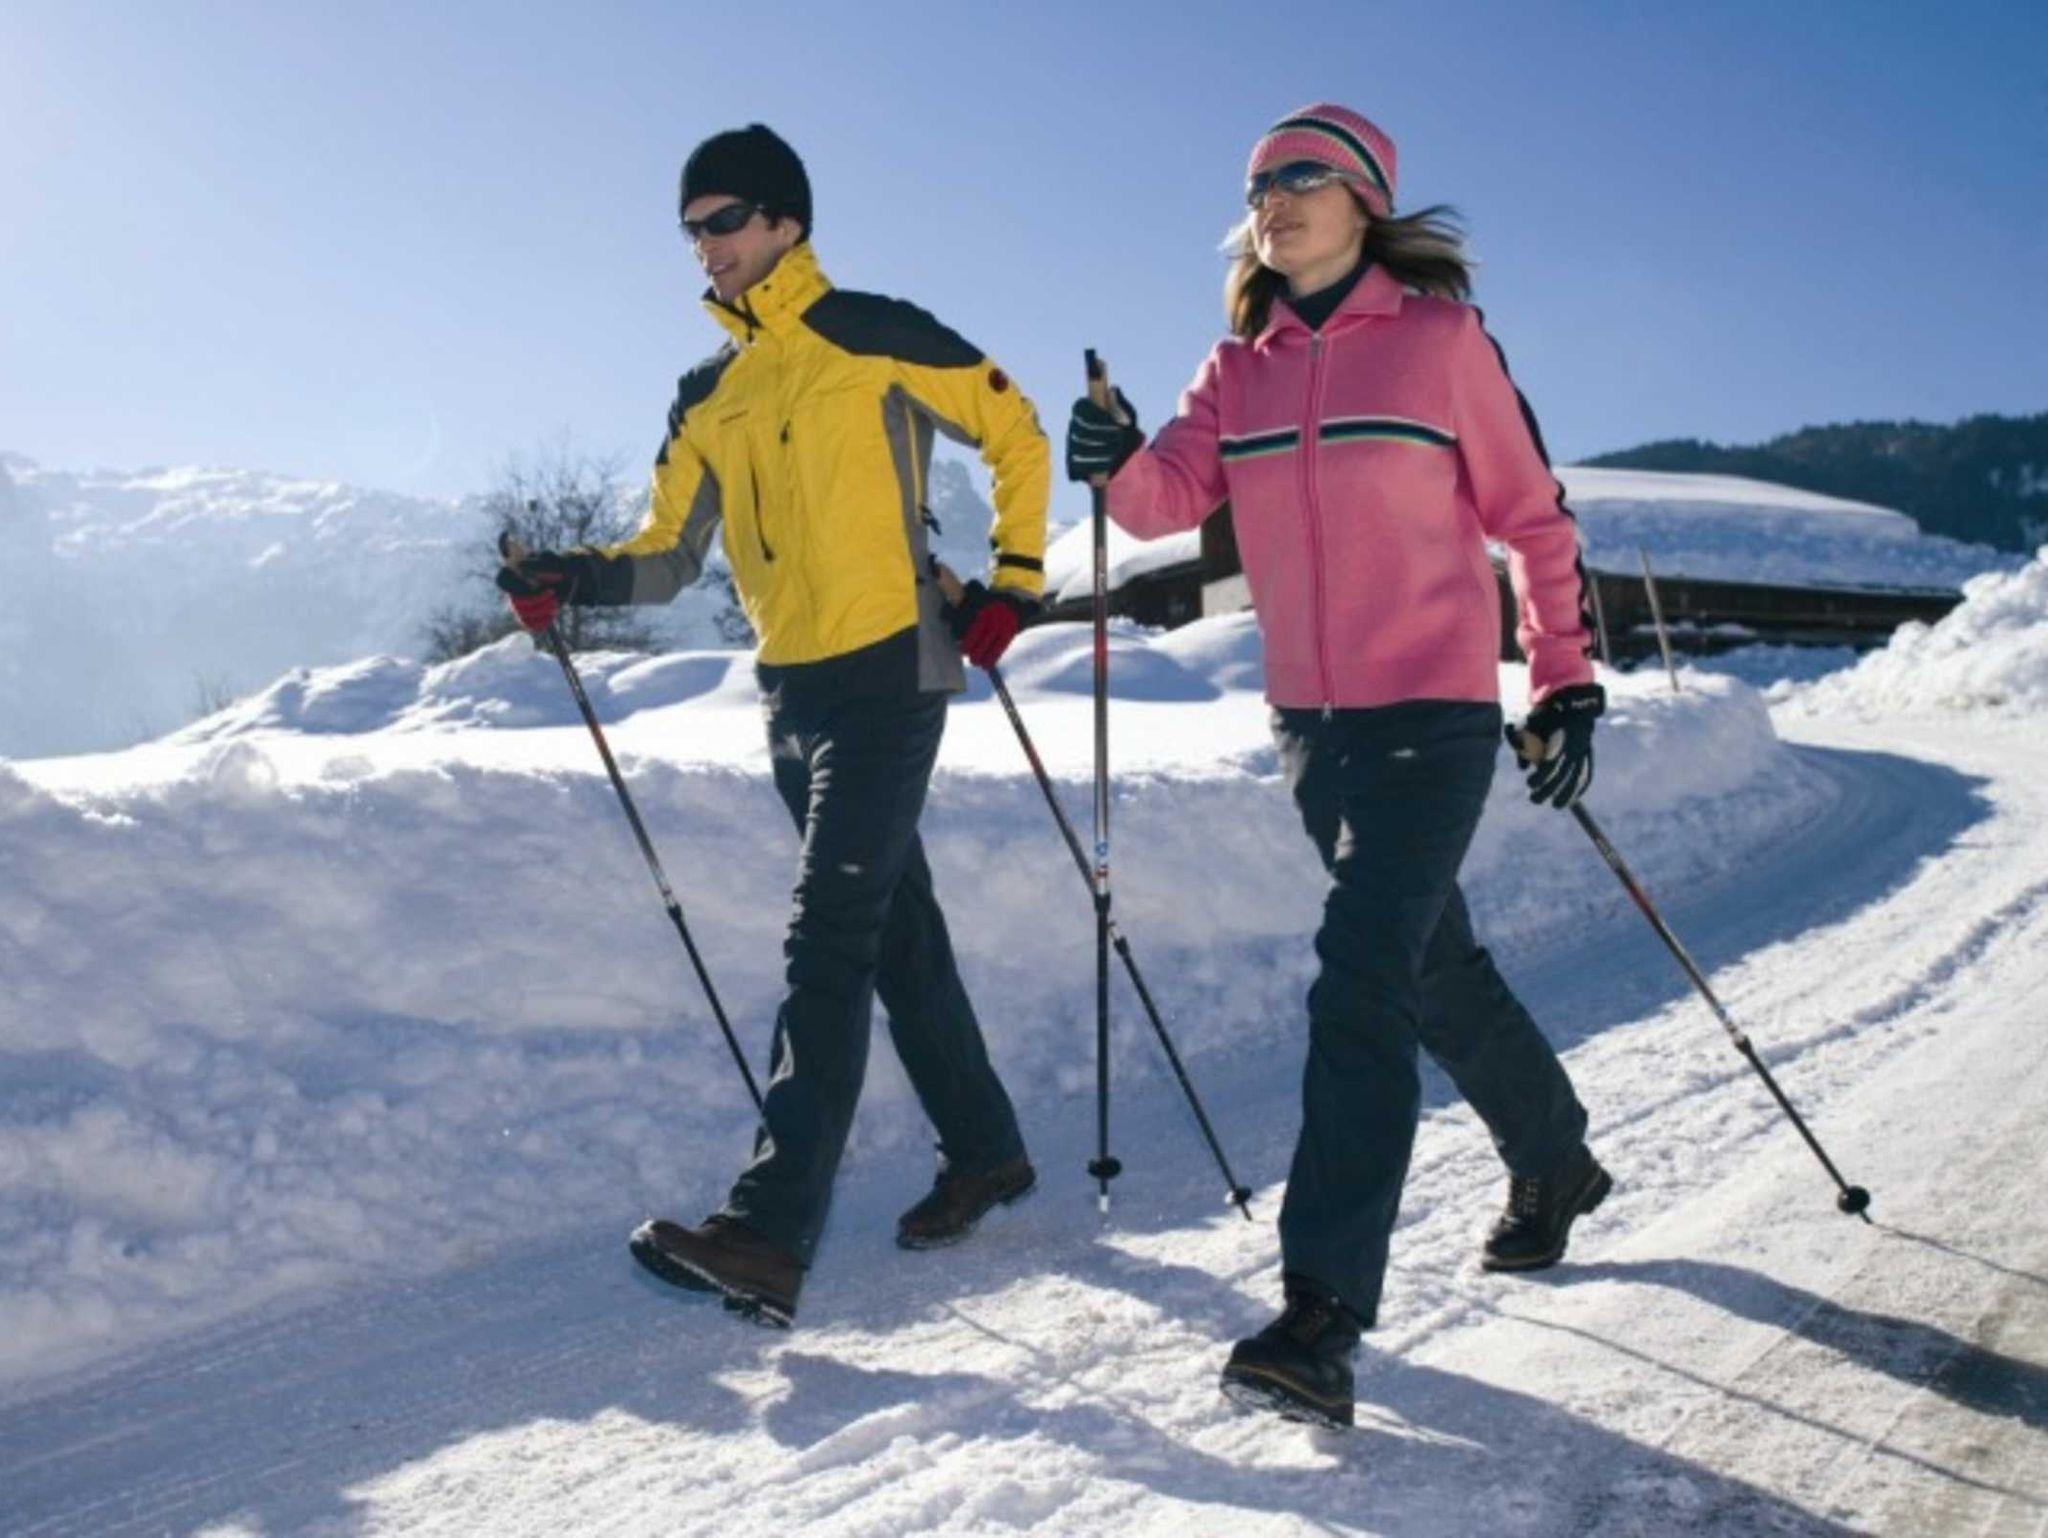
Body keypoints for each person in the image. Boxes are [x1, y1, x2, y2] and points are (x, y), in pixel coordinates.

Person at [1066, 103, 1611, 1429]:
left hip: (1431, 711)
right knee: (1428, 964)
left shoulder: (1438, 342)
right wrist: (1112, 453)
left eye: (1303, 175)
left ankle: (1320, 1311)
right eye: (1259, 183)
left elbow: (1532, 518)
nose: (1275, 198)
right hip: (1311, 724)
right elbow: (1160, 500)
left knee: (1360, 978)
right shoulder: (1235, 367)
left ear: (1367, 196)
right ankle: (1554, 1156)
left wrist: (1563, 675)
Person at [501, 123, 1050, 1329]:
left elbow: (1016, 431)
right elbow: (665, 555)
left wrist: (1013, 580)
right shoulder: (706, 392)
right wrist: (568, 577)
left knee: (826, 939)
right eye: (689, 228)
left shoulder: (871, 331)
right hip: (790, 692)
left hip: (889, 669)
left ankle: (767, 1229)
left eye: (724, 220)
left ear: (785, 223)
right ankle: (987, 1150)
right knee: (892, 930)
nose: (704, 245)